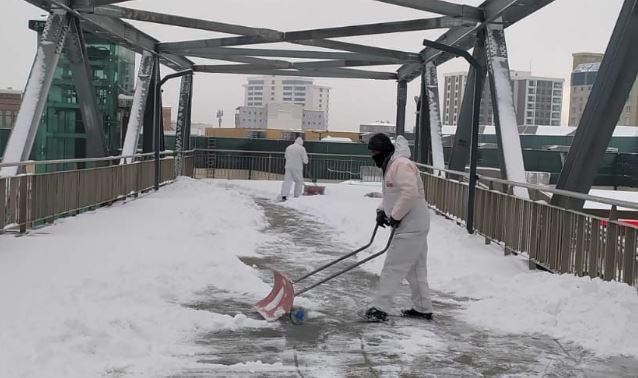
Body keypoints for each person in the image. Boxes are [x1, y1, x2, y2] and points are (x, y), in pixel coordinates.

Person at [364, 133, 433, 322]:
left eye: (376, 152)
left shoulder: (401, 165)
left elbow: (410, 193)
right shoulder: (392, 164)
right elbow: (391, 194)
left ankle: (380, 308)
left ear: (386, 150)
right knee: (415, 268)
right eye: (371, 152)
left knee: (393, 267)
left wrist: (395, 216)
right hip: (413, 224)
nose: (373, 155)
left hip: (411, 225)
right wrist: (381, 211)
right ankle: (422, 308)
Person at [280, 137, 309, 201]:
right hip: (297, 167)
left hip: (288, 167)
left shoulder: (288, 147)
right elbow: (305, 160)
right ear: (301, 143)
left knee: (287, 181)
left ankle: (284, 195)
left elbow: (286, 156)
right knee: (299, 181)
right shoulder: (302, 148)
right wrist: (305, 161)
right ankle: (297, 195)